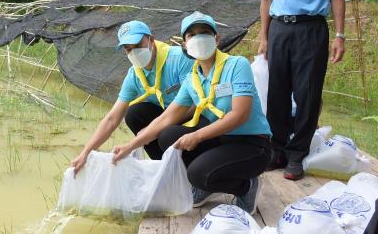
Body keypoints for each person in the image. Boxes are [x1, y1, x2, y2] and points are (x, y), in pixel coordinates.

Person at [111, 12, 272, 214]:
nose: (198, 38)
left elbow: (240, 115)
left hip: (251, 144)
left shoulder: (236, 65)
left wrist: (196, 135)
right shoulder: (192, 79)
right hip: (220, 139)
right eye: (191, 35)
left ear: (216, 38)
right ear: (185, 44)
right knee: (168, 135)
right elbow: (165, 119)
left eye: (204, 32)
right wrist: (129, 146)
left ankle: (246, 186)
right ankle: (208, 183)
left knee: (197, 174)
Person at [254, 0, 348, 180]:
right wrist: (264, 35)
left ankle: (298, 153)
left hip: (311, 27)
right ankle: (277, 149)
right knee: (277, 92)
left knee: (307, 92)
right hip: (280, 27)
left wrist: (340, 35)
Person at [70, 20, 194, 174]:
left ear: (151, 39)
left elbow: (195, 103)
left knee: (165, 134)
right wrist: (85, 153)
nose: (134, 52)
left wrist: (149, 131)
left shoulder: (179, 59)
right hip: (169, 114)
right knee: (134, 113)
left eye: (138, 46)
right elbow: (112, 118)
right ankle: (169, 171)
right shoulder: (134, 75)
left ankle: (193, 173)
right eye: (128, 49)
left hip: (194, 115)